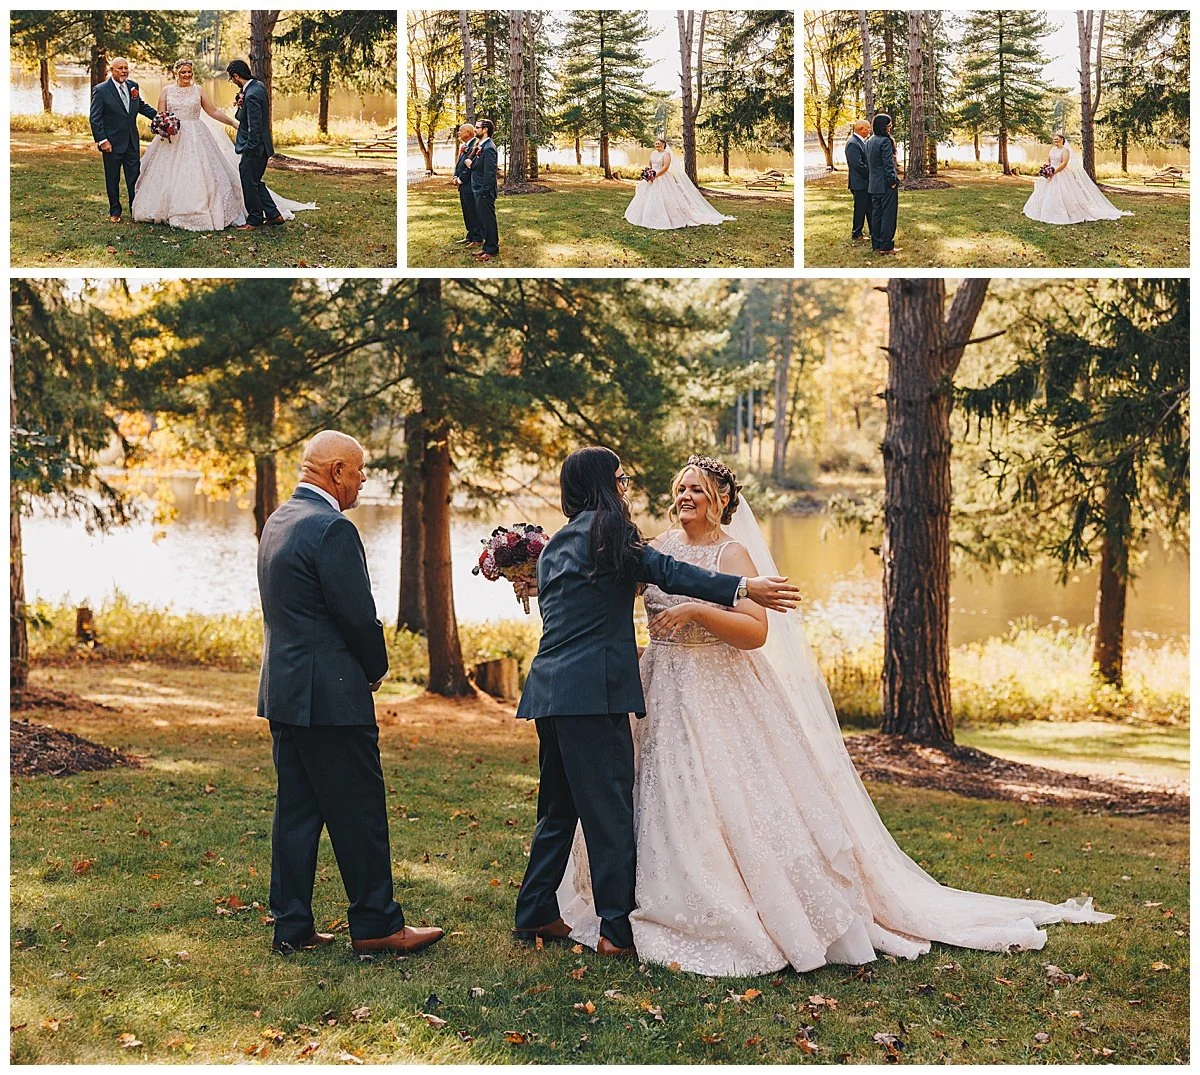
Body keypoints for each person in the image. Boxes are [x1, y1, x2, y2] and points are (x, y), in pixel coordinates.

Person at [556, 456, 1114, 975]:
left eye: (698, 489)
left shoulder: (733, 557)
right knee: (652, 794)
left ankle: (735, 905)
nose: (685, 496)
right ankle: (637, 902)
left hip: (718, 691)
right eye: (680, 488)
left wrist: (701, 608)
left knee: (720, 798)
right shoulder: (652, 547)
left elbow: (755, 633)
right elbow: (604, 588)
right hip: (659, 688)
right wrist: (539, 577)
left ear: (724, 500)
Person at [510, 446, 801, 957]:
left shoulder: (559, 543)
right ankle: (617, 931)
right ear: (603, 484)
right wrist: (744, 587)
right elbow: (670, 571)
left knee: (557, 807)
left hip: (548, 691)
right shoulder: (609, 533)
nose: (625, 486)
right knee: (609, 813)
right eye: (619, 479)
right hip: (591, 697)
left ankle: (535, 910)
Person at [257, 431, 443, 957]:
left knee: (296, 810)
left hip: (286, 693)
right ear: (335, 471)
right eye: (359, 470)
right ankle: (377, 924)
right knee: (359, 810)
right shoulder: (331, 528)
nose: (364, 479)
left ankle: (291, 925)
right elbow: (357, 615)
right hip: (331, 698)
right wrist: (375, 667)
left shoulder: (279, 520)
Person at [132, 59, 315, 232]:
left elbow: (213, 111)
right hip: (173, 138)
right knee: (168, 174)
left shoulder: (199, 90)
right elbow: (160, 115)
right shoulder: (166, 91)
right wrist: (163, 127)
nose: (187, 75)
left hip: (196, 136)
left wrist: (234, 123)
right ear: (176, 73)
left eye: (189, 72)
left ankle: (206, 210)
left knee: (202, 173)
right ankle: (165, 209)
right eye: (183, 72)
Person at [88, 57, 157, 223]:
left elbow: (140, 106)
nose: (124, 71)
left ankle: (136, 209)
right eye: (120, 68)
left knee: (134, 177)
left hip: (132, 141)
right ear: (112, 70)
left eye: (126, 68)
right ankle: (115, 211)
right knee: (113, 178)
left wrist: (159, 116)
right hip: (111, 143)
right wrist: (102, 140)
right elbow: (95, 118)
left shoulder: (133, 86)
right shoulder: (101, 90)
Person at [624, 138, 735, 229]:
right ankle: (645, 217)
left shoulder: (666, 154)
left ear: (663, 144)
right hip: (651, 177)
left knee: (665, 197)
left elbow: (666, 167)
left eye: (659, 143)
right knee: (646, 196)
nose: (657, 145)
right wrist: (648, 172)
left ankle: (669, 218)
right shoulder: (653, 153)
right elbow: (649, 164)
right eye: (656, 143)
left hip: (662, 177)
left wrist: (655, 175)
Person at [1023, 133, 1132, 225]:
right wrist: (1046, 168)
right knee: (1046, 192)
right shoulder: (1052, 149)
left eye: (1057, 140)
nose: (1055, 141)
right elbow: (1048, 160)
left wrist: (1054, 172)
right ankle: (1046, 211)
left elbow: (1064, 163)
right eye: (1054, 140)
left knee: (1064, 192)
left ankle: (1069, 213)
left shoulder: (1065, 151)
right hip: (1051, 172)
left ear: (1062, 140)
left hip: (1061, 173)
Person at [866, 113, 899, 255]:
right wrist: (893, 181)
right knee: (888, 215)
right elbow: (888, 164)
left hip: (873, 184)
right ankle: (887, 246)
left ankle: (877, 244)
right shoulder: (885, 141)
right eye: (889, 125)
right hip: (885, 184)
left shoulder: (869, 141)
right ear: (883, 126)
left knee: (877, 215)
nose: (890, 128)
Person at [467, 118, 499, 261]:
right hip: (478, 188)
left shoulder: (489, 147)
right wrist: (472, 164)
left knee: (488, 220)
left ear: (485, 130)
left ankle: (492, 249)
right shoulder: (481, 145)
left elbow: (490, 173)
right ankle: (486, 247)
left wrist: (485, 192)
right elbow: (479, 166)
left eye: (477, 127)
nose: (475, 129)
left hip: (484, 191)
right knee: (483, 220)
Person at [452, 122, 482, 247]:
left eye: (460, 131)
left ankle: (477, 238)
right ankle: (470, 235)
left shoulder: (475, 146)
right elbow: (460, 163)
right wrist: (455, 175)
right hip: (463, 185)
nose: (458, 133)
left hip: (470, 185)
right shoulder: (464, 146)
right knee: (466, 211)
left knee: (472, 211)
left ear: (468, 133)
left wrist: (460, 179)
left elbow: (470, 167)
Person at [845, 119, 872, 241]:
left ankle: (874, 231)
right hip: (859, 183)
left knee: (869, 207)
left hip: (864, 182)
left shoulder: (861, 142)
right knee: (860, 208)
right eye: (868, 128)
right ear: (861, 129)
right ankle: (856, 233)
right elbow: (857, 165)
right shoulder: (853, 143)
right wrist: (871, 174)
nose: (869, 130)